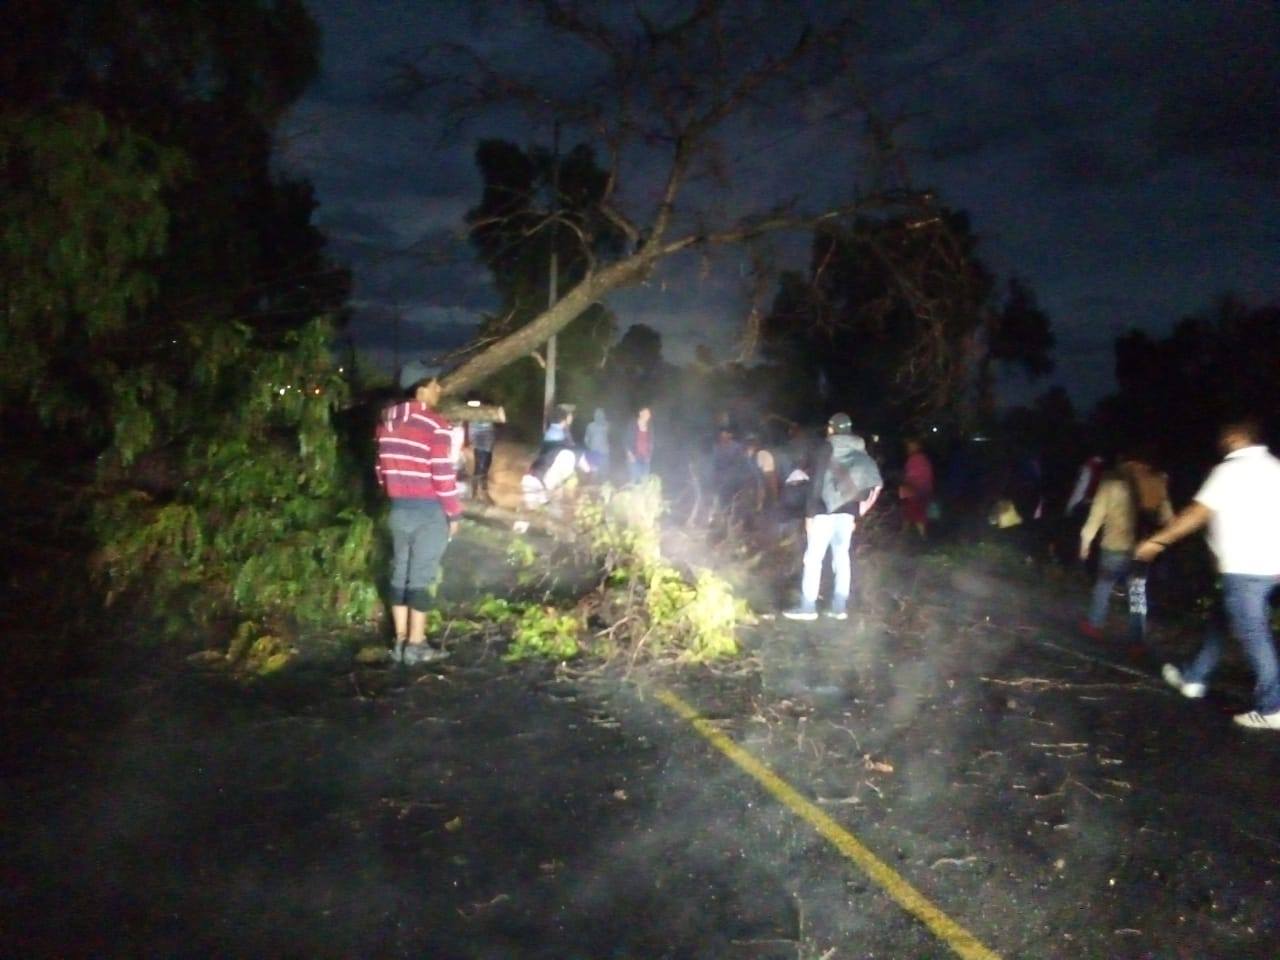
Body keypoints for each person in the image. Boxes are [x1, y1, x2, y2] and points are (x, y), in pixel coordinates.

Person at [1136, 419, 1280, 730]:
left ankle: (1272, 707)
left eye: (1225, 435)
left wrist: (1158, 541)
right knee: (1220, 621)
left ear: (1235, 437)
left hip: (1244, 568)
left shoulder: (1228, 471)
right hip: (1270, 570)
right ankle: (1194, 678)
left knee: (1253, 633)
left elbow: (1196, 514)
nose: (1221, 439)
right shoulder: (1275, 469)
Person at [375, 360, 462, 665]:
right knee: (422, 577)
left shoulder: (386, 423)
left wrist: (397, 489)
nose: (439, 389)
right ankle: (416, 644)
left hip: (398, 509)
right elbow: (442, 474)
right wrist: (453, 513)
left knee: (401, 571)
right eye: (435, 384)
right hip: (429, 511)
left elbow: (380, 470)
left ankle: (400, 641)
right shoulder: (435, 425)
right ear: (422, 389)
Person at [784, 413, 883, 621]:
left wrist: (809, 515)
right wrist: (855, 515)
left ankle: (807, 608)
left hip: (824, 510)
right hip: (848, 512)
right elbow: (860, 482)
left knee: (813, 559)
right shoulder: (859, 449)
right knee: (842, 558)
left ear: (831, 428)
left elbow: (817, 482)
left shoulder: (826, 447)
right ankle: (839, 608)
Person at [1077, 452, 1173, 646]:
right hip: (1141, 549)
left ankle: (1094, 625)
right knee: (1137, 593)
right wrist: (1159, 543)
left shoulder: (1111, 481)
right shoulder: (1156, 482)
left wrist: (1085, 542)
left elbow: (1096, 515)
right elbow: (1168, 519)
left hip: (1114, 545)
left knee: (1104, 585)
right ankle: (1137, 641)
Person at [899, 437, 935, 539]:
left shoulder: (915, 459)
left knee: (916, 513)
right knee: (909, 513)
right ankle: (905, 534)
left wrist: (906, 488)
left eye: (910, 446)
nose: (908, 448)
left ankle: (922, 537)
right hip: (920, 489)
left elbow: (911, 476)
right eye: (908, 446)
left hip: (915, 490)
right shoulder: (922, 458)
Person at [468, 414, 495, 502]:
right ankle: (475, 494)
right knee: (479, 468)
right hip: (480, 442)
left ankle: (483, 492)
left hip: (488, 443)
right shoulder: (475, 415)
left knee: (485, 468)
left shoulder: (488, 414)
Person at [626, 406, 654, 484]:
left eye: (649, 414)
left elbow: (651, 441)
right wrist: (629, 454)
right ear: (640, 413)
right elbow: (626, 440)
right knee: (635, 480)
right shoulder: (632, 425)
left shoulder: (650, 427)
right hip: (634, 457)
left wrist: (649, 455)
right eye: (646, 413)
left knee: (645, 480)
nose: (648, 416)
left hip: (645, 458)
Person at [584, 408, 611, 477]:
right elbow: (586, 439)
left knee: (601, 471)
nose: (599, 416)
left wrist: (590, 447)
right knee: (597, 471)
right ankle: (598, 481)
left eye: (600, 415)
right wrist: (590, 447)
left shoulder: (607, 425)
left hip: (601, 452)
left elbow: (586, 439)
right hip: (597, 452)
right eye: (597, 415)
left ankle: (600, 481)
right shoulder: (591, 426)